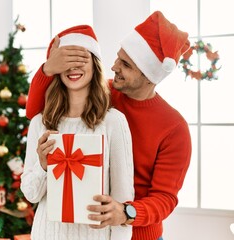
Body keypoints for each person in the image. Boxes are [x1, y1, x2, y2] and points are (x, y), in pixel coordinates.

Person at [25, 11, 192, 240]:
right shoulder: (105, 94)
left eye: (125, 64)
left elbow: (165, 198)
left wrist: (125, 212)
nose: (113, 67)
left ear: (147, 75)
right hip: (90, 226)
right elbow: (38, 111)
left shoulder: (174, 127)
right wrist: (48, 69)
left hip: (139, 231)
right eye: (117, 58)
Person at [20, 25, 134, 240]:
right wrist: (43, 166)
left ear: (95, 65)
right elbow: (31, 195)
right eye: (67, 61)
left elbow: (122, 199)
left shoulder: (113, 122)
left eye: (81, 59)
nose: (73, 68)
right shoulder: (40, 123)